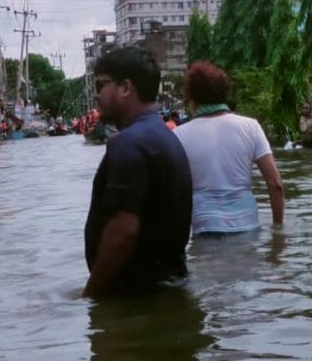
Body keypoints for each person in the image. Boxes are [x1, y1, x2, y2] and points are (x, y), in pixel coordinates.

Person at [81, 44, 193, 297]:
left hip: (137, 297)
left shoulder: (128, 143)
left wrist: (91, 294)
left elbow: (124, 229)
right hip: (168, 289)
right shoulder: (165, 137)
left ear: (125, 88)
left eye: (100, 85)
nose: (96, 95)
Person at [174, 63, 284, 235]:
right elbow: (275, 184)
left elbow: (173, 194)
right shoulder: (251, 127)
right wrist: (278, 230)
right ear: (224, 93)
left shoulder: (178, 136)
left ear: (192, 98)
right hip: (248, 226)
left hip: (205, 227)